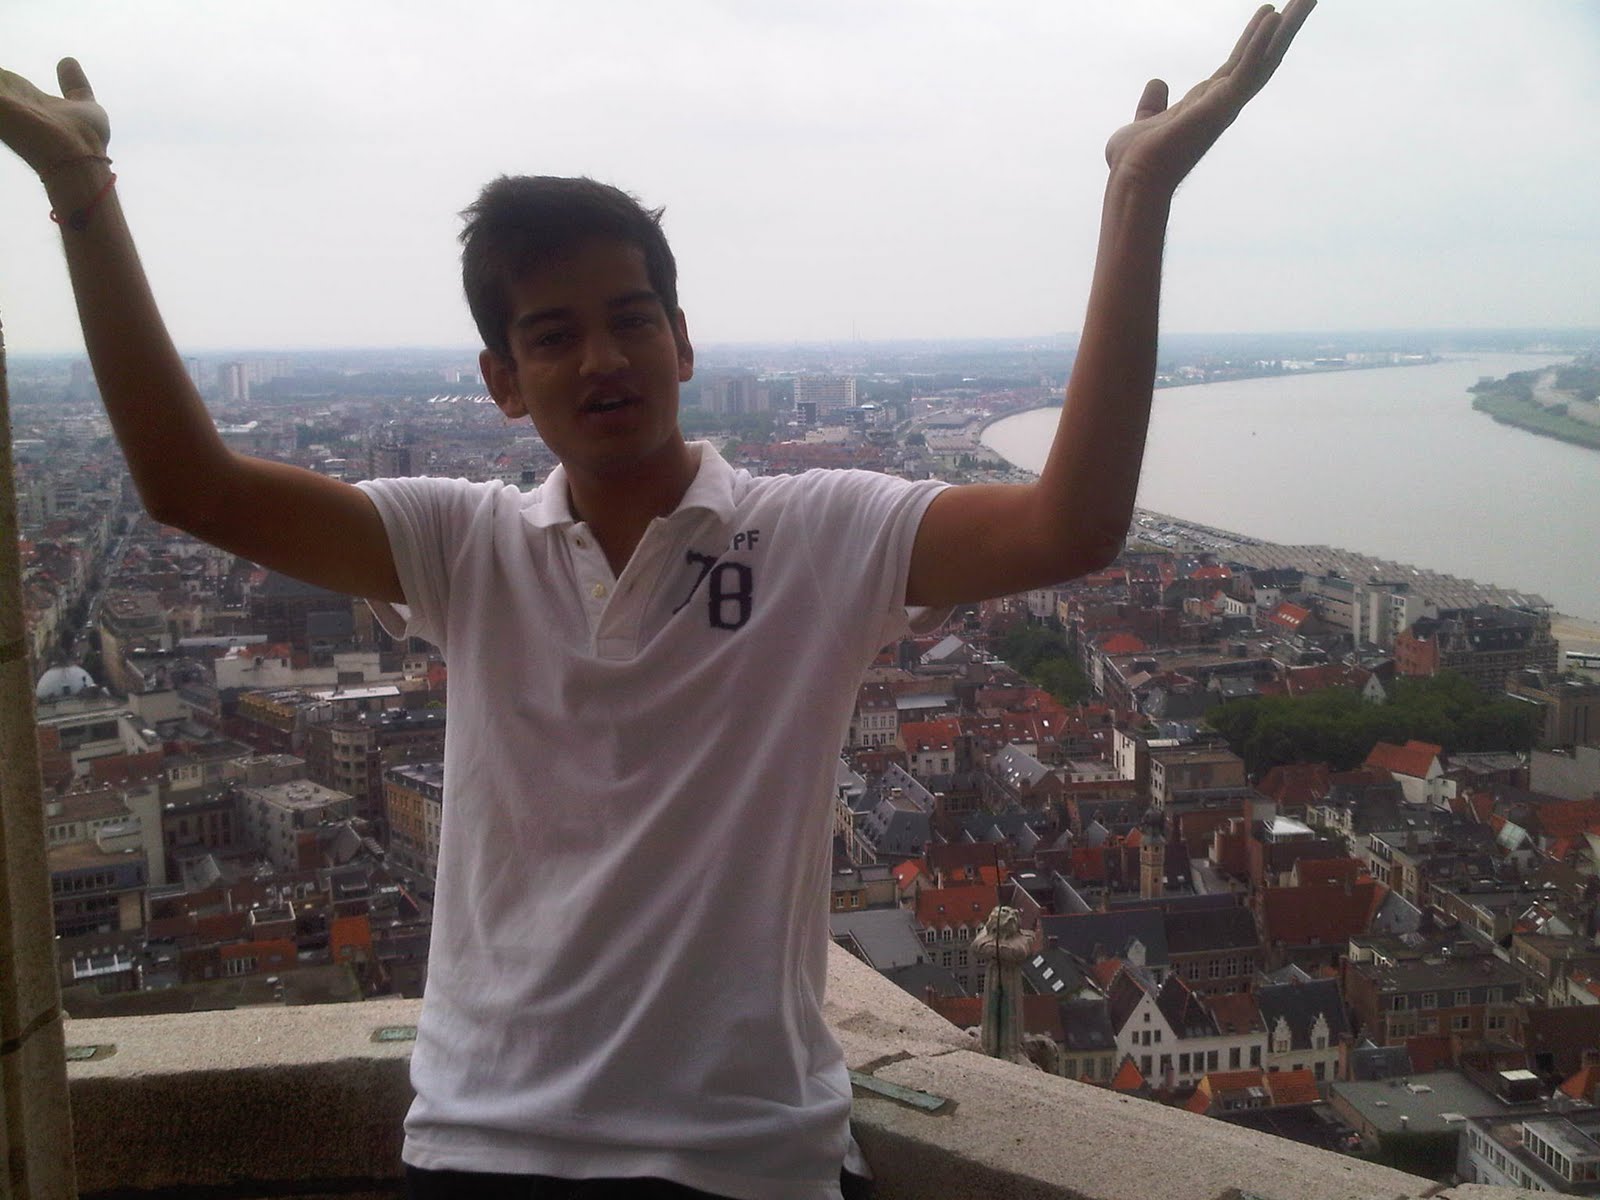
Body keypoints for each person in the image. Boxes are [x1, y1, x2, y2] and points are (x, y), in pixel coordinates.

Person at [0, 4, 1314, 1197]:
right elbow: (191, 486)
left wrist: (1137, 200)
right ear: (501, 382)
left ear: (684, 342)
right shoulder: (462, 545)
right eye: (552, 334)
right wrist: (82, 196)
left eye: (632, 318)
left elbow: (1069, 525)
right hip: (483, 1143)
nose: (604, 357)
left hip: (745, 1159)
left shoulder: (817, 532)